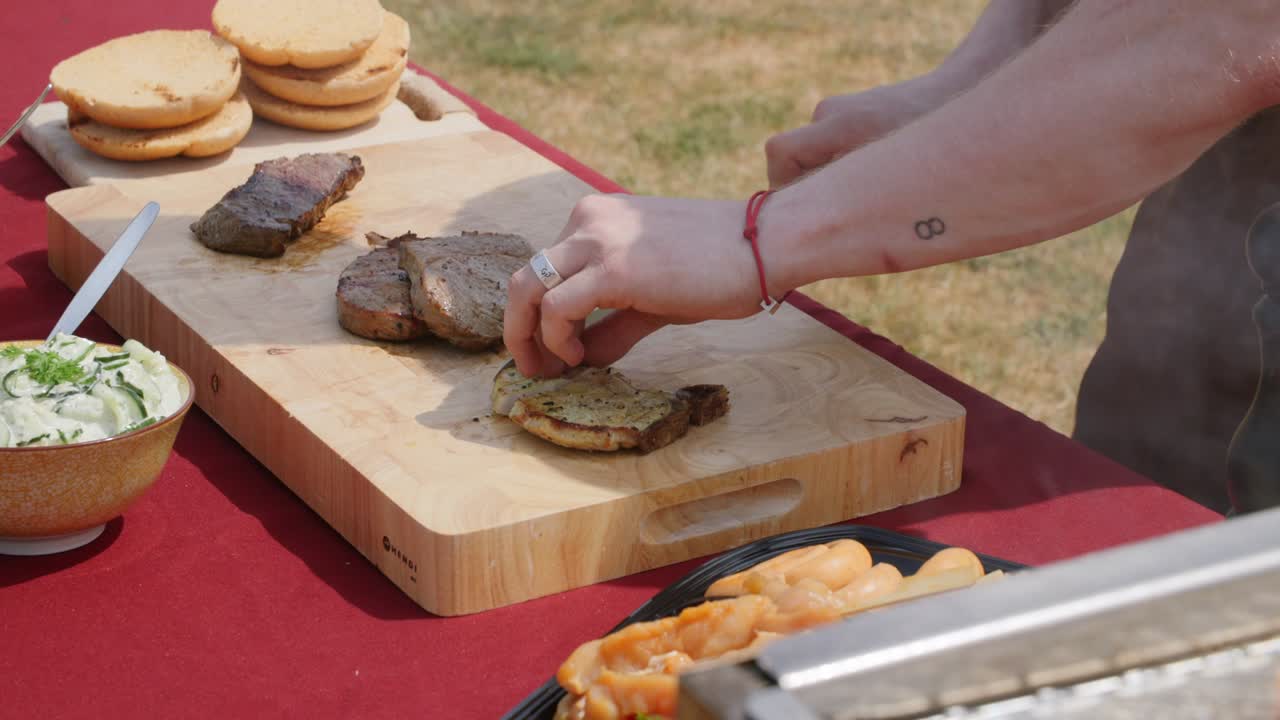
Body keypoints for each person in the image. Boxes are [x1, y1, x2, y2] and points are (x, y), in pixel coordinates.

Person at [503, 0, 1280, 512]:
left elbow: (1232, 24)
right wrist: (966, 87)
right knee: (1138, 511)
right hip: (1220, 231)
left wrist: (765, 238)